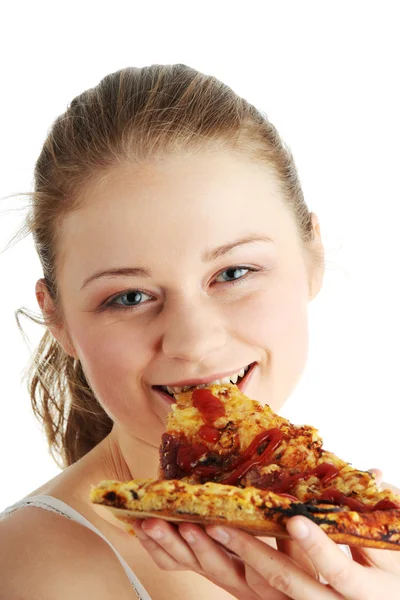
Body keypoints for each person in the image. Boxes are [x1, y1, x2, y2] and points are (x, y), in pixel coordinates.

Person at [0, 63, 399, 599]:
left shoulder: (364, 536)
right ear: (59, 319)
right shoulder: (33, 575)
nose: (192, 340)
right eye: (129, 297)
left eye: (234, 273)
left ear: (312, 257)